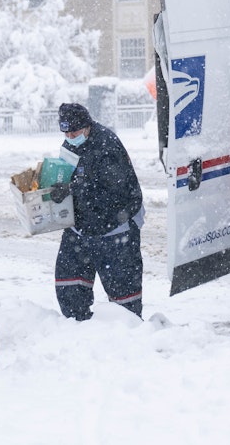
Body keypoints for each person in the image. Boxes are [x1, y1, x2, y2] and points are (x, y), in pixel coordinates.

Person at [48, 103, 145, 321]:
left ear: (87, 126)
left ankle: (129, 332)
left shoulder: (107, 147)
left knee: (123, 293)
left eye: (75, 131)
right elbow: (69, 173)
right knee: (69, 281)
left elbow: (112, 192)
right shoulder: (72, 143)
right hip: (81, 226)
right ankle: (77, 326)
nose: (70, 136)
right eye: (66, 132)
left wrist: (73, 189)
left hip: (116, 224)